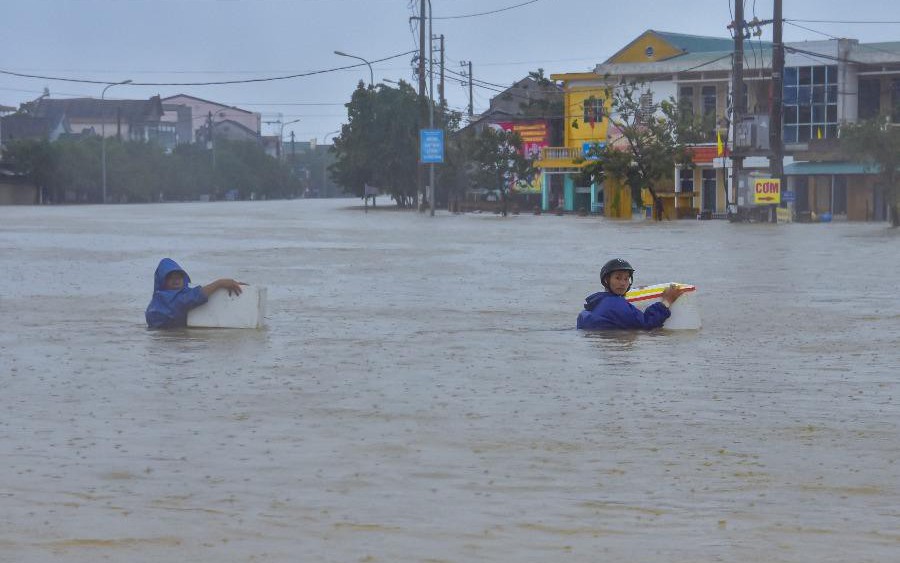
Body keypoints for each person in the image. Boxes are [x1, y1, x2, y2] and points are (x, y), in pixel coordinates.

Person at [576, 258, 688, 330]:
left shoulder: (599, 300)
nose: (623, 283)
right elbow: (647, 323)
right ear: (606, 280)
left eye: (626, 279)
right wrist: (666, 302)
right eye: (618, 278)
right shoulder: (614, 305)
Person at [145, 258, 244, 329]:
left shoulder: (176, 294)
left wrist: (232, 285)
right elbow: (193, 297)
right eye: (171, 277)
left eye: (179, 276)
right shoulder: (165, 298)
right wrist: (220, 283)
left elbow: (196, 294)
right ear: (163, 280)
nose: (176, 280)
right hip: (166, 335)